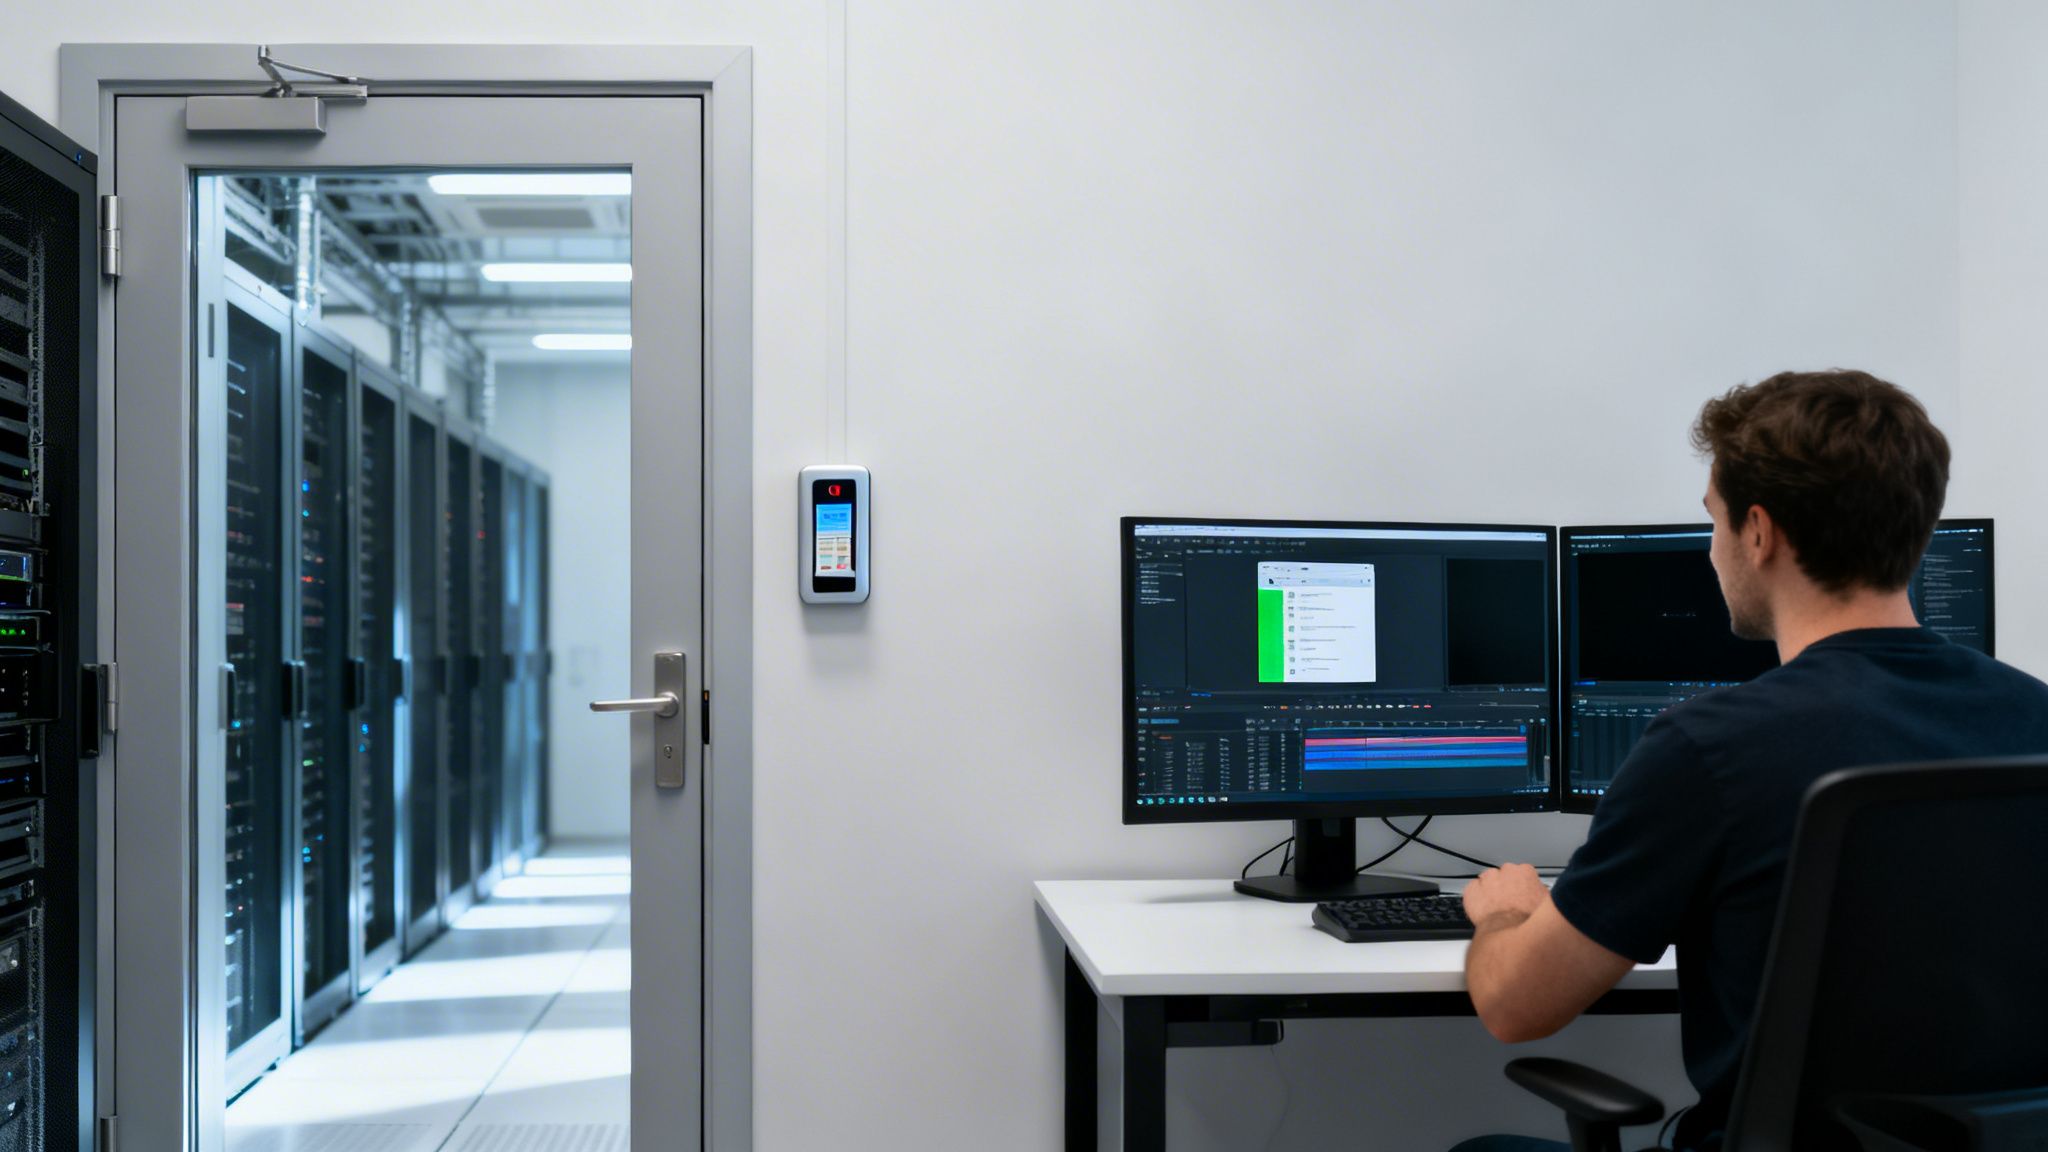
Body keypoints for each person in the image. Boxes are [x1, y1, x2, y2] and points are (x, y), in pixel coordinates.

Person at [1449, 369, 2048, 1152]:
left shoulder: (1708, 749)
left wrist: (1505, 913)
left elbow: (1515, 1006)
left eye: (1714, 521)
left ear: (1758, 533)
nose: (1713, 548)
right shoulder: (2036, 716)